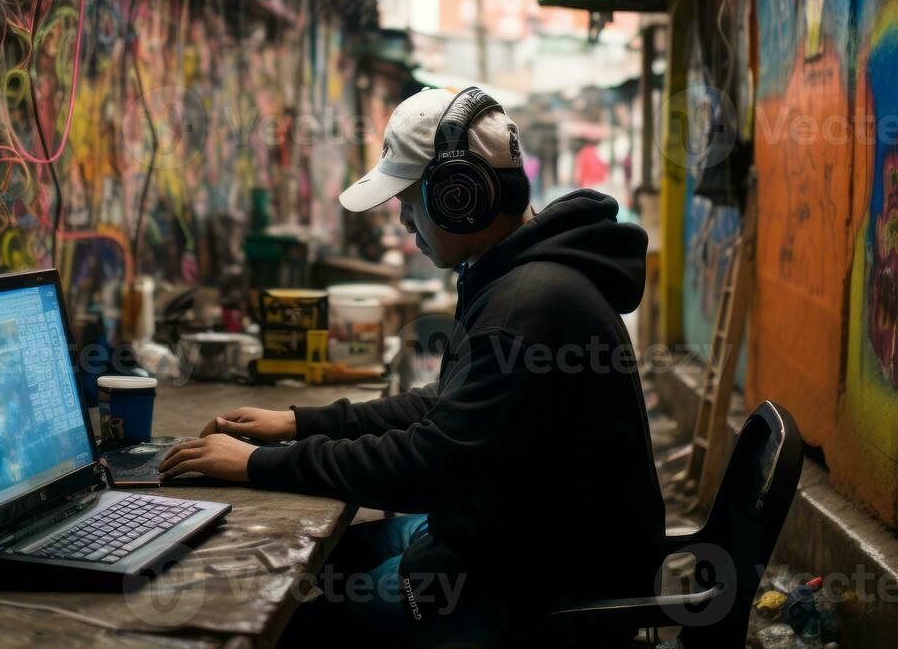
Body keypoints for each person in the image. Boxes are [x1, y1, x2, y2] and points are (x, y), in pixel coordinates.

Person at [161, 87, 665, 647]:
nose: (402, 221)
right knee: (317, 567)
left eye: (407, 199)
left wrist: (257, 465)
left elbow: (428, 465)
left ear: (459, 196)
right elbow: (444, 407)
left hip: (531, 585)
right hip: (511, 536)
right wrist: (298, 423)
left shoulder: (525, 304)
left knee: (284, 609)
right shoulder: (520, 278)